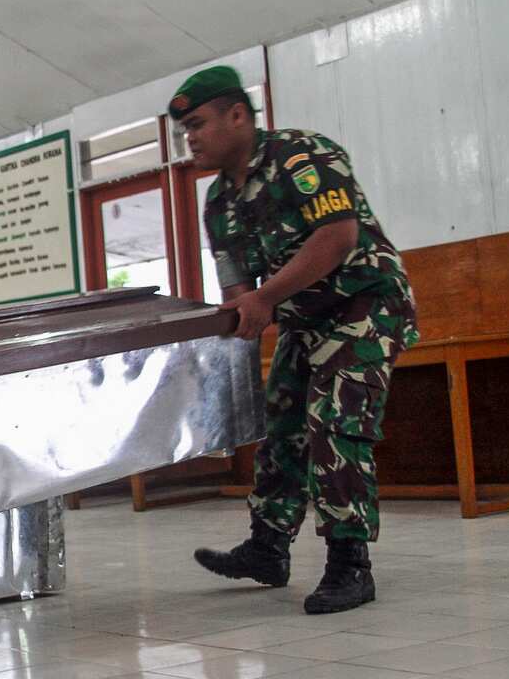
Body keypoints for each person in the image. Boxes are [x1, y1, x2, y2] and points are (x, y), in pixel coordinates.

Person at [173, 66, 418, 614]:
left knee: (336, 422)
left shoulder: (302, 157)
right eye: (184, 128)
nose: (190, 137)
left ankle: (349, 564)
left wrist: (263, 300)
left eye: (197, 124)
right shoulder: (217, 204)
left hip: (365, 303)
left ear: (238, 114)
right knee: (281, 423)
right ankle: (267, 548)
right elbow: (239, 291)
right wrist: (238, 319)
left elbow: (337, 237)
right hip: (305, 319)